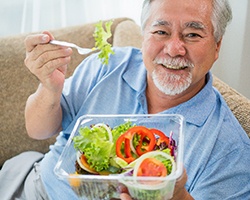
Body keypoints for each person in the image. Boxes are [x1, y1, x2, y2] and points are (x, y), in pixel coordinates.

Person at [0, 0, 250, 199]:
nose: (174, 49)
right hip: (36, 188)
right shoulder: (107, 65)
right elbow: (38, 130)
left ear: (217, 46)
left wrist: (179, 197)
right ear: (144, 37)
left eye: (193, 35)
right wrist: (49, 88)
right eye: (161, 31)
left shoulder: (230, 150)